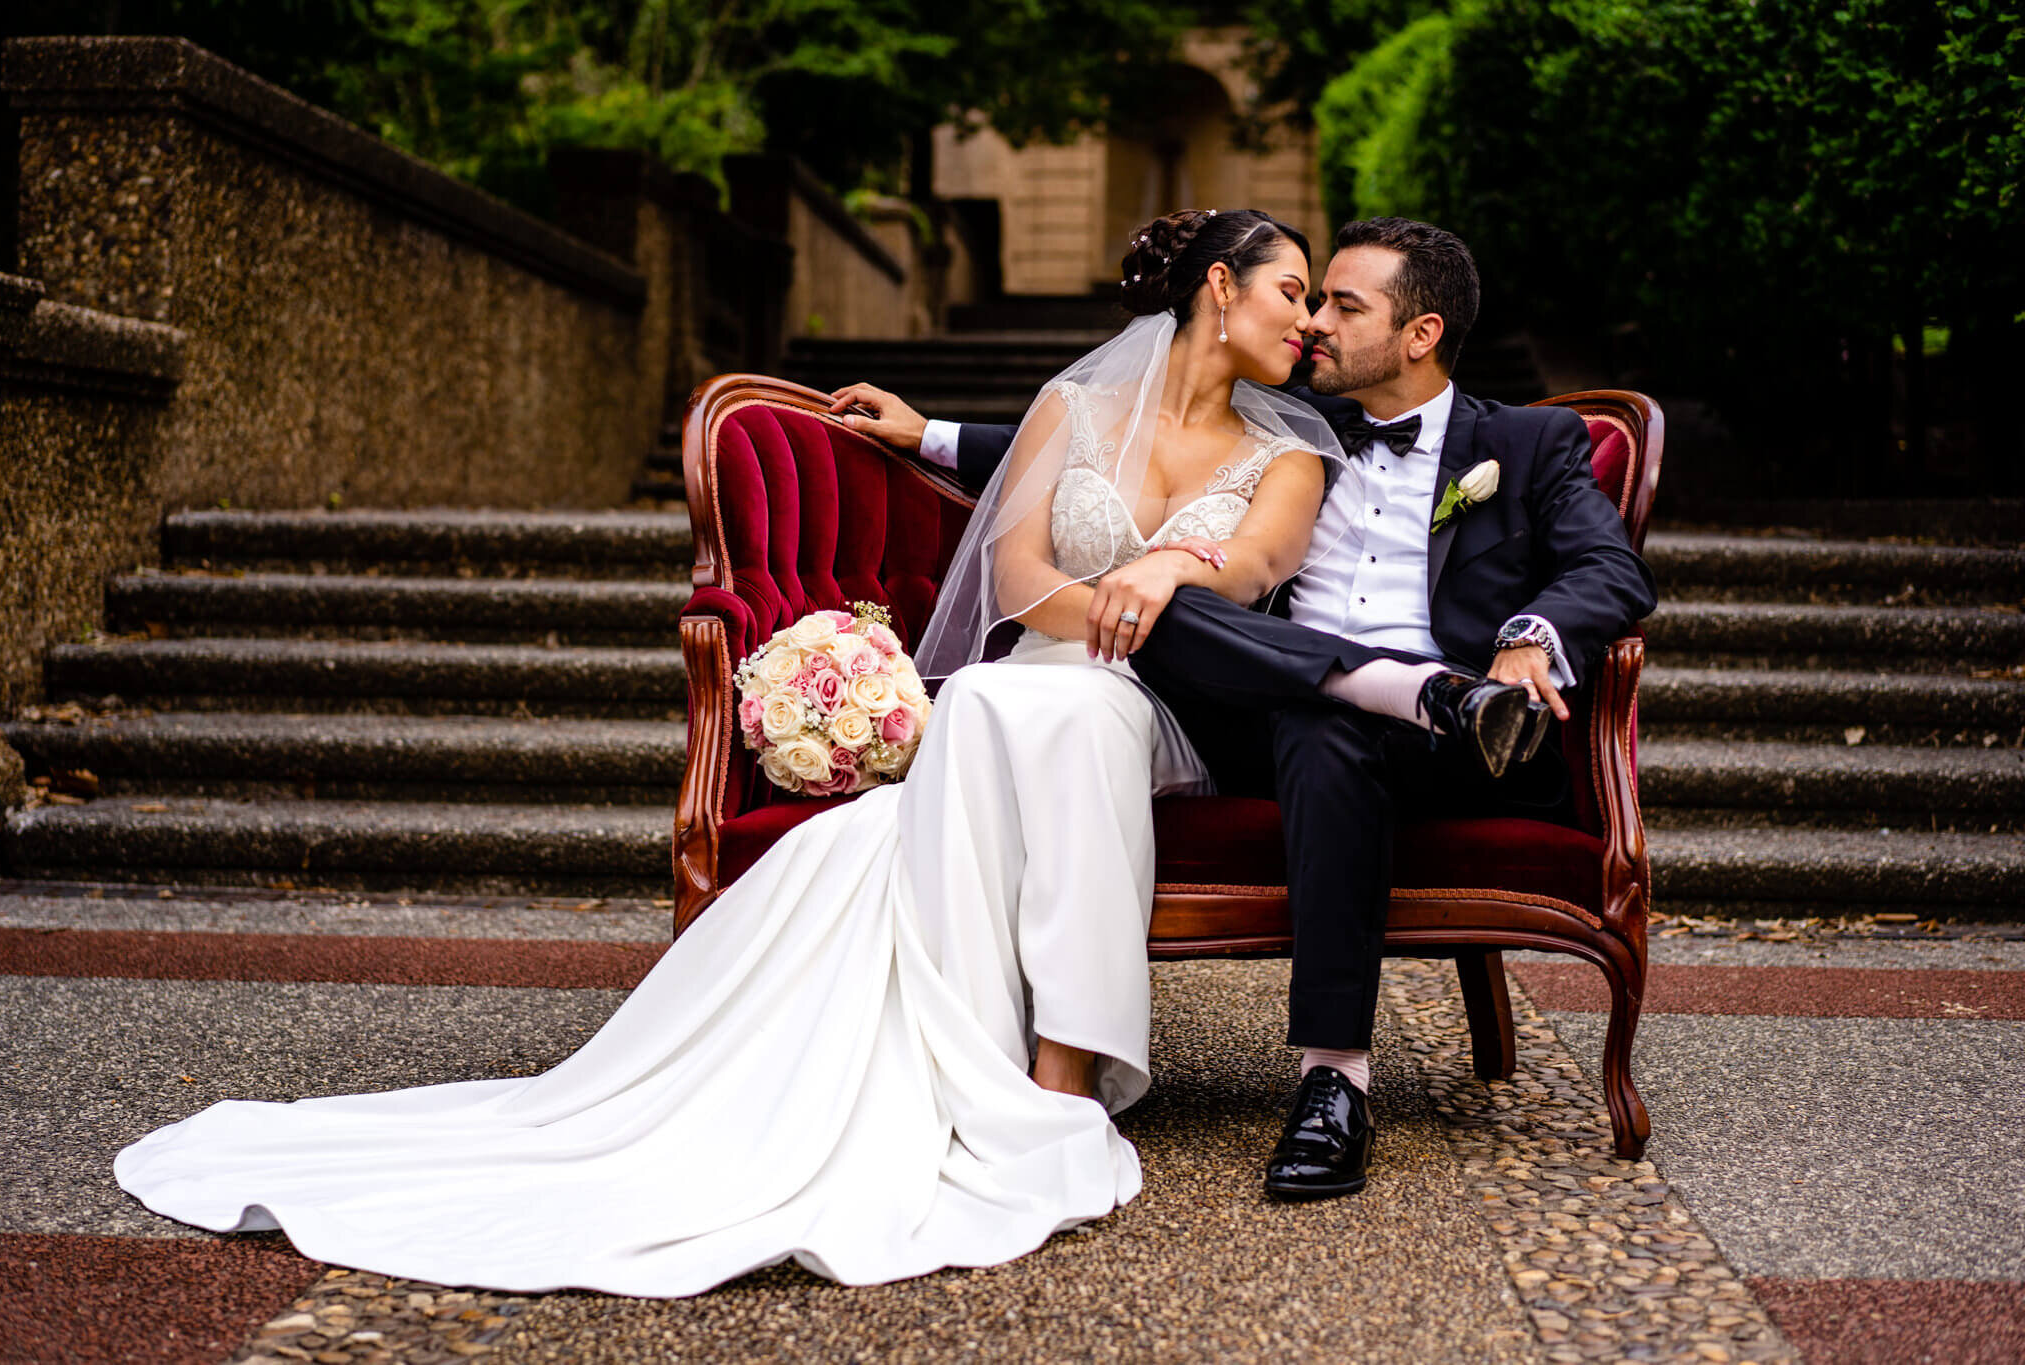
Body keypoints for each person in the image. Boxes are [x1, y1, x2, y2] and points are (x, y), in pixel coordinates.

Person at [114, 209, 1358, 1296]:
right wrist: (1122, 592)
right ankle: (994, 1061)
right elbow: (1021, 579)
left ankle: (1061, 1071)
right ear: (1217, 289)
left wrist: (1159, 589)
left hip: (1167, 703)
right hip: (1038, 672)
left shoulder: (1290, 449)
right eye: (1290, 292)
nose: (1304, 322)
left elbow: (1246, 575)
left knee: (1076, 711)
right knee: (990, 704)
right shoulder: (1070, 409)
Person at [832, 216, 1658, 1201]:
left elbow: (1609, 568)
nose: (1311, 326)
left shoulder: (1524, 444)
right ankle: (1332, 1081)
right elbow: (1116, 436)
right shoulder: (1292, 430)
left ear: (1419, 334)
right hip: (1277, 717)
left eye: (1341, 307)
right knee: (1195, 622)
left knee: (1193, 616)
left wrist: (1528, 636)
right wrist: (926, 434)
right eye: (1305, 299)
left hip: (1468, 741)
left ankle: (1433, 699)